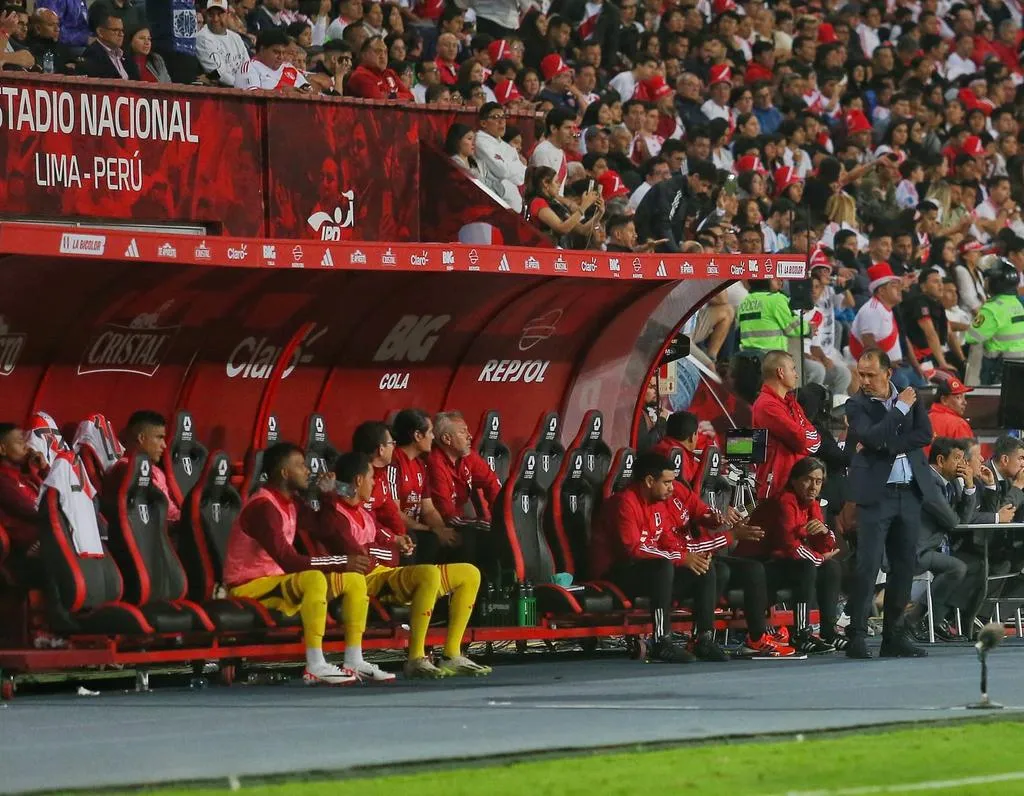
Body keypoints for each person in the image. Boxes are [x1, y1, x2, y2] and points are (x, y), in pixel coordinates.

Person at [317, 452, 492, 679]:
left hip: (385, 574)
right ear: (359, 481)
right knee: (427, 573)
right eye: (371, 478)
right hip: (366, 581)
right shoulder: (335, 515)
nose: (374, 482)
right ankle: (416, 658)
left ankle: (451, 654)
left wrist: (395, 540)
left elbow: (381, 537)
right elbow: (364, 555)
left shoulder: (362, 510)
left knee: (469, 573)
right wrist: (390, 551)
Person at [223, 443, 370, 686]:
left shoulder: (292, 502)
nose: (307, 471)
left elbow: (324, 528)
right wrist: (342, 561)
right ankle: (314, 664)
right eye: (300, 466)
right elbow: (289, 561)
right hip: (248, 586)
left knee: (354, 580)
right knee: (313, 578)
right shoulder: (264, 506)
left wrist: (328, 495)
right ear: (284, 473)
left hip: (276, 583)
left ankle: (354, 658)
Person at [589, 451, 724, 663]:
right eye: (667, 482)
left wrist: (691, 557)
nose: (672, 488)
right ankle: (661, 641)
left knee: (703, 569)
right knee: (663, 567)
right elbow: (633, 550)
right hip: (616, 573)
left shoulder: (659, 503)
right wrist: (681, 558)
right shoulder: (624, 503)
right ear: (650, 481)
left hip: (648, 570)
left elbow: (667, 540)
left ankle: (703, 639)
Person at [844, 348, 932, 659]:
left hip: (909, 493)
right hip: (875, 495)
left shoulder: (911, 395)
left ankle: (893, 636)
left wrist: (890, 445)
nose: (864, 380)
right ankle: (855, 636)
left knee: (904, 567)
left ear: (887, 373)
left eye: (870, 375)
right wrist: (899, 412)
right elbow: (870, 437)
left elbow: (925, 434)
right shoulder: (856, 404)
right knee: (867, 567)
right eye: (861, 374)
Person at [742, 457, 845, 653]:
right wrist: (819, 559)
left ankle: (828, 631)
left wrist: (824, 533)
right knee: (807, 566)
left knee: (832, 567)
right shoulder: (785, 501)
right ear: (794, 480)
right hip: (758, 564)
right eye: (808, 480)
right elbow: (789, 546)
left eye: (818, 481)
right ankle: (801, 633)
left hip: (783, 562)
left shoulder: (811, 503)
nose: (813, 486)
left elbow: (825, 545)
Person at [911, 437, 979, 642]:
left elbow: (962, 521)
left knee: (975, 565)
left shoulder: (950, 484)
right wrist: (956, 516)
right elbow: (952, 521)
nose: (962, 464)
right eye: (957, 458)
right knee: (957, 568)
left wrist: (968, 487)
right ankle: (922, 619)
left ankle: (934, 620)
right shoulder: (929, 483)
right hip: (916, 550)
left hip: (935, 547)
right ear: (941, 460)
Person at [426, 411, 501, 565]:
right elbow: (446, 513)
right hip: (438, 523)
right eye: (462, 432)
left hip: (459, 520)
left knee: (498, 529)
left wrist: (499, 513)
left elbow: (491, 482)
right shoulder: (435, 463)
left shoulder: (468, 456)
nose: (470, 436)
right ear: (447, 439)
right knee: (482, 530)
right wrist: (485, 523)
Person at [389, 409, 460, 564]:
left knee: (456, 538)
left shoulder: (421, 465)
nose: (434, 437)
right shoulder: (394, 462)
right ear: (417, 435)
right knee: (430, 540)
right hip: (399, 529)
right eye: (430, 432)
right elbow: (394, 512)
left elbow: (428, 509)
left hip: (418, 528)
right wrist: (431, 531)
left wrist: (443, 531)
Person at [750, 351, 822, 500]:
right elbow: (801, 440)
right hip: (778, 489)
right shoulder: (767, 405)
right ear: (781, 372)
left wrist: (805, 437)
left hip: (797, 485)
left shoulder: (791, 403)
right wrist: (805, 437)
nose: (796, 375)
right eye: (793, 369)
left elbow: (815, 440)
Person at [850, 262, 926, 389]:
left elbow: (904, 339)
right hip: (879, 370)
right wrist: (886, 365)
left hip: (898, 366)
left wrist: (917, 366)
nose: (899, 289)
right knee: (902, 382)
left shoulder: (888, 310)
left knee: (921, 382)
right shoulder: (872, 309)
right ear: (881, 290)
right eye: (894, 286)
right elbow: (868, 343)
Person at [737, 279, 824, 386]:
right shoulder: (776, 299)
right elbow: (793, 328)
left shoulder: (745, 301)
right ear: (765, 280)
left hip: (747, 359)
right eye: (774, 277)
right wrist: (809, 328)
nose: (780, 281)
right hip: (772, 359)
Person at [102, 411, 180, 525]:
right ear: (141, 438)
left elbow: (171, 511)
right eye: (159, 437)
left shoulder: (157, 471)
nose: (164, 445)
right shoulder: (124, 470)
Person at [965, 258, 1024, 385]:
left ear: (995, 283)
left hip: (1000, 368)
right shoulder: (1019, 303)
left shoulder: (992, 309)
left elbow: (972, 337)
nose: (985, 282)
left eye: (988, 279)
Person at [350, 421, 405, 538]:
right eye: (392, 443)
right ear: (381, 449)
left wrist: (402, 535)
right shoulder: (357, 477)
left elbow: (391, 513)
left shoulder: (381, 474)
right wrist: (393, 539)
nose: (394, 448)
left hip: (379, 534)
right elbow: (364, 520)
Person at [0, 423, 46, 555]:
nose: (26, 446)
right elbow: (37, 511)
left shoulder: (22, 475)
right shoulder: (4, 481)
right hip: (27, 551)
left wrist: (42, 470)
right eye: (20, 442)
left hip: (44, 539)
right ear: (2, 450)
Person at [474, 102, 526, 213]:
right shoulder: (480, 141)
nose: (502, 121)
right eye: (496, 117)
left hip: (515, 205)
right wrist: (511, 167)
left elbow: (523, 176)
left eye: (503, 117)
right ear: (483, 123)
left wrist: (508, 168)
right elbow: (502, 171)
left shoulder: (507, 147)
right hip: (496, 204)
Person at [235, 27, 310, 91]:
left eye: (283, 53)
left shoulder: (288, 67)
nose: (281, 57)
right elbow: (251, 96)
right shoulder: (250, 67)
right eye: (276, 52)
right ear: (262, 49)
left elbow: (309, 90)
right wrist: (282, 92)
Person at [196, 0, 250, 87]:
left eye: (220, 14)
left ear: (228, 14)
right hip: (221, 93)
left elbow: (247, 67)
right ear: (205, 15)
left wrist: (248, 83)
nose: (215, 19)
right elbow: (217, 73)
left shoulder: (236, 37)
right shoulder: (202, 37)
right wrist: (243, 85)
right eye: (211, 14)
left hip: (241, 89)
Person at [78, 5, 140, 79]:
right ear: (100, 32)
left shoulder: (125, 55)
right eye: (116, 30)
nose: (121, 34)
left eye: (122, 30)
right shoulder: (91, 56)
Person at [346, 34, 412, 99]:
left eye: (385, 52)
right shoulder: (360, 75)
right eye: (378, 51)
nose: (383, 56)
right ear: (364, 55)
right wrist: (397, 96)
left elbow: (410, 97)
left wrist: (392, 96)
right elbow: (378, 100)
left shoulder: (390, 73)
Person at [927, 378, 974, 443]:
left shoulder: (925, 419)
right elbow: (968, 452)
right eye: (958, 397)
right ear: (944, 400)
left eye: (964, 397)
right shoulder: (959, 424)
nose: (964, 402)